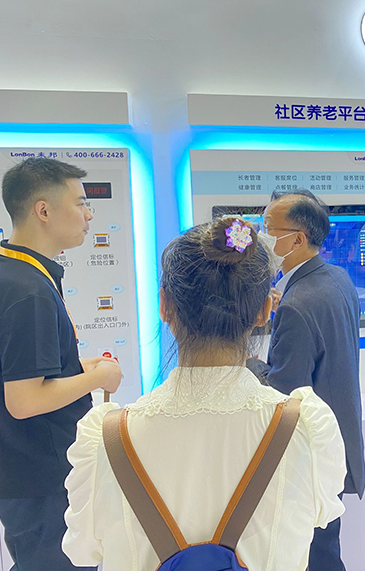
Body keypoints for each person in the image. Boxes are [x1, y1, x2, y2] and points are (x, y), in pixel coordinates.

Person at [62, 218, 346, 571]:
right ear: (264, 310)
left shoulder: (105, 438)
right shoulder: (306, 427)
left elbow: (82, 551)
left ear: (164, 306)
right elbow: (322, 515)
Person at [0, 158, 123, 571]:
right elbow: (23, 399)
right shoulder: (28, 290)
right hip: (42, 477)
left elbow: (19, 369)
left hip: (26, 471)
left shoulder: (14, 273)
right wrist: (97, 376)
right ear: (43, 210)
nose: (89, 215)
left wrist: (78, 367)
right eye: (81, 203)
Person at [247, 189, 365, 571]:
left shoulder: (297, 304)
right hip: (334, 440)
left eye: (268, 228)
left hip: (307, 455)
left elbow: (285, 394)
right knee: (326, 547)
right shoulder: (337, 279)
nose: (261, 236)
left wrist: (251, 366)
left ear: (297, 239)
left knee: (314, 556)